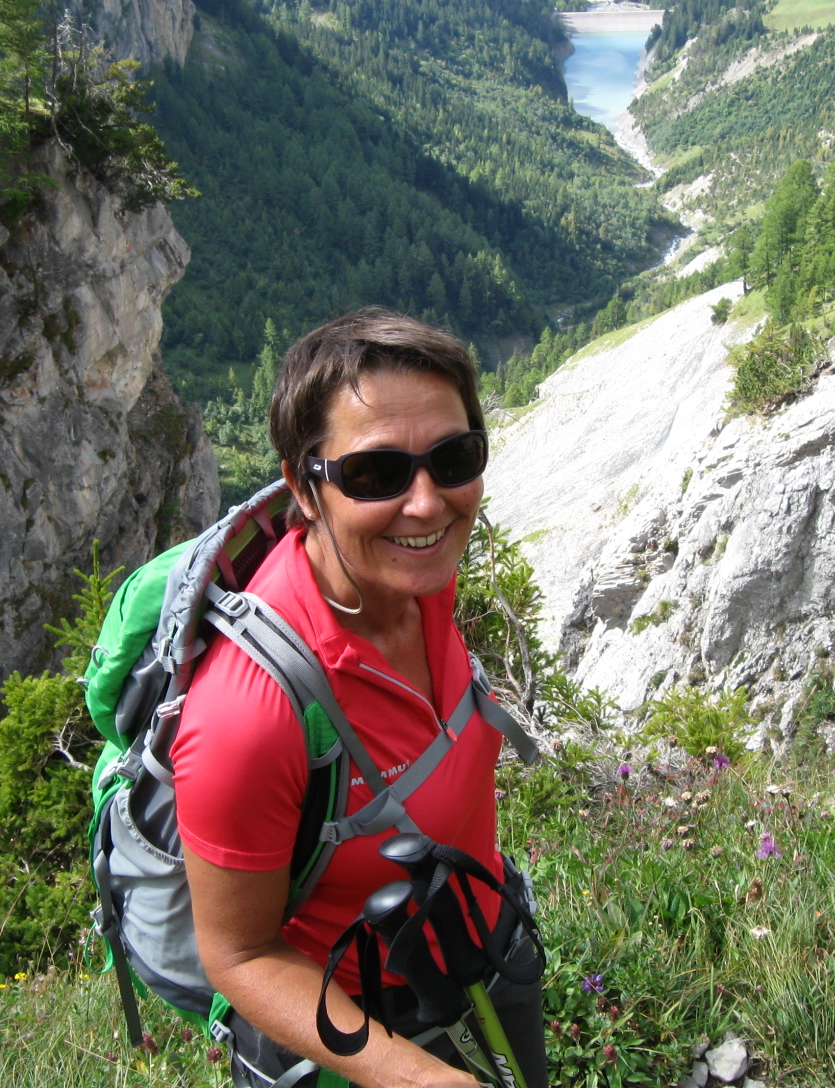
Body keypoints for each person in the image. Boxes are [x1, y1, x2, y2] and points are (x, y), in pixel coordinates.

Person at [170, 308, 547, 1088]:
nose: (426, 503)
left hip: (480, 951)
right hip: (358, 1034)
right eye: (375, 474)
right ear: (302, 489)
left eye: (454, 458)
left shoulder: (413, 580)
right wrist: (419, 1077)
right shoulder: (249, 716)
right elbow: (238, 956)